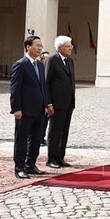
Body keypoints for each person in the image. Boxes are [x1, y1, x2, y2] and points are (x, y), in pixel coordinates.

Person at [10, 35, 51, 179]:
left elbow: (43, 87)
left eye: (41, 46)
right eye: (37, 45)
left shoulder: (40, 64)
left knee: (36, 139)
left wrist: (46, 104)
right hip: (24, 110)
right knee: (21, 140)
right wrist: (16, 108)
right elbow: (15, 89)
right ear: (28, 47)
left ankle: (31, 164)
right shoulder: (20, 64)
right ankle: (19, 167)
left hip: (39, 109)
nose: (40, 48)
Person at [45, 36, 76, 169]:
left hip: (68, 102)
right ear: (59, 48)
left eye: (71, 46)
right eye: (68, 46)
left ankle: (60, 157)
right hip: (56, 103)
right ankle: (51, 158)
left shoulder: (70, 62)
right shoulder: (52, 60)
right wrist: (48, 103)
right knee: (54, 131)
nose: (70, 49)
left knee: (64, 131)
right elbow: (46, 83)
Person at [39, 51, 50, 146]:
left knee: (45, 120)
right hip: (39, 99)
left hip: (47, 99)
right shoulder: (39, 68)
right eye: (46, 58)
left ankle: (42, 137)